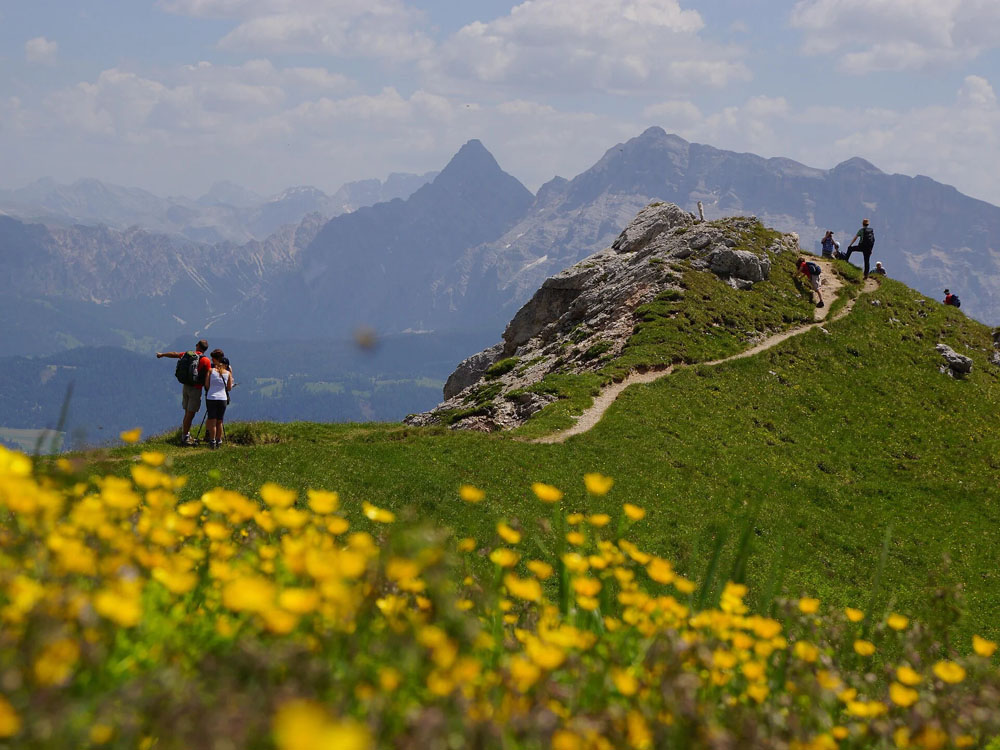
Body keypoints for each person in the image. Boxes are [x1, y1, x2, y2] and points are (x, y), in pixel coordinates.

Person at [156, 340, 211, 445]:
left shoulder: (188, 355)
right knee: (190, 414)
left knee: (187, 412)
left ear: (198, 346)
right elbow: (208, 375)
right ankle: (185, 437)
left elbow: (175, 354)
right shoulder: (206, 361)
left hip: (185, 386)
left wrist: (162, 354)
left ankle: (186, 434)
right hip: (196, 388)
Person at [203, 349, 232, 449]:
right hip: (222, 398)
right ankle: (219, 441)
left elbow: (207, 385)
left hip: (211, 398)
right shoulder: (228, 373)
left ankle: (212, 441)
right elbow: (229, 388)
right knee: (220, 421)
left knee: (212, 421)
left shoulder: (211, 371)